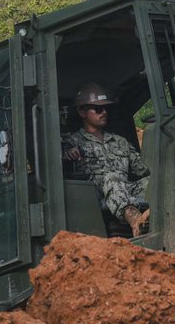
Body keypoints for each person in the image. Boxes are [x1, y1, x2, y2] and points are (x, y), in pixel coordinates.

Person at [62, 83, 151, 236]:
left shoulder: (120, 141)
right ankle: (135, 220)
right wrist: (68, 155)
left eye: (106, 109)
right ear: (82, 112)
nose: (103, 112)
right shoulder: (72, 142)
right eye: (97, 109)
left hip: (124, 189)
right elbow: (57, 170)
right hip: (95, 194)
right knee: (111, 178)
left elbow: (142, 170)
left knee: (151, 182)